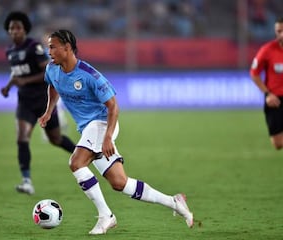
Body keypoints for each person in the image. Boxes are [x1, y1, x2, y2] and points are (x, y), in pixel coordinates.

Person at [38, 29, 194, 235]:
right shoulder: (52, 69)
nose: (48, 50)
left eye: (52, 46)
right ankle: (174, 202)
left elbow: (113, 107)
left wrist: (108, 137)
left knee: (76, 163)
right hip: (88, 129)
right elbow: (53, 86)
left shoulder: (89, 75)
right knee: (120, 183)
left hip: (103, 123)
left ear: (67, 48)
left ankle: (106, 216)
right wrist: (49, 111)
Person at [1, 12, 76, 195]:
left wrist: (24, 82)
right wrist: (9, 86)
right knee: (22, 138)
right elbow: (16, 73)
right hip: (25, 102)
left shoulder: (34, 48)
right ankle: (27, 181)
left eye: (18, 27)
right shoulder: (10, 51)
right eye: (11, 28)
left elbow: (47, 73)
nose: (14, 31)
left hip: (43, 102)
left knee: (56, 139)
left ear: (25, 29)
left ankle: (86, 155)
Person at [250, 16, 283, 150]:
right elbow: (254, 73)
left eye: (282, 31)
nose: (280, 34)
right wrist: (268, 94)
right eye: (278, 31)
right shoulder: (267, 50)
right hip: (274, 99)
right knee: (277, 144)